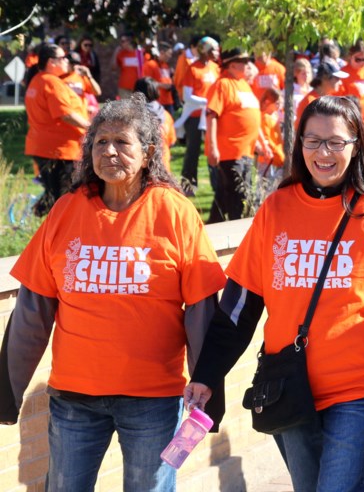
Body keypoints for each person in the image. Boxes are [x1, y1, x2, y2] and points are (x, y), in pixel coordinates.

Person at [184, 96, 364, 492]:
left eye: (336, 142)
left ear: (358, 146)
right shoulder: (277, 208)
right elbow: (239, 307)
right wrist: (207, 374)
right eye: (312, 141)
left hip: (360, 391)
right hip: (289, 388)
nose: (323, 152)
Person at [0, 94, 226, 491]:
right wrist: (6, 389)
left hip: (152, 401)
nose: (109, 151)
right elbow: (33, 310)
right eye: (100, 142)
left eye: (122, 142)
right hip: (74, 399)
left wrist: (208, 383)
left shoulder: (175, 213)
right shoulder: (67, 211)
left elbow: (201, 309)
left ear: (148, 152)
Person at [24, 43, 91, 216]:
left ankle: (35, 219)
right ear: (52, 61)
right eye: (63, 58)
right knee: (63, 198)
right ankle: (53, 232)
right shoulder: (52, 83)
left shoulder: (37, 80)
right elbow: (65, 114)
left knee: (54, 194)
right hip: (59, 150)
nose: (66, 61)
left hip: (45, 147)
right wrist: (92, 127)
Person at [205, 49, 262, 223]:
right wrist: (213, 147)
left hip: (246, 151)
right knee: (237, 195)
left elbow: (252, 114)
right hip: (229, 151)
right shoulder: (222, 85)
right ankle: (235, 233)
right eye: (243, 61)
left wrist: (261, 142)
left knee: (225, 194)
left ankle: (212, 230)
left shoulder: (244, 84)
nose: (247, 65)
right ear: (232, 64)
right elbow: (211, 116)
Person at [175, 36, 220, 196]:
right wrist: (207, 101)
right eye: (214, 49)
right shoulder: (192, 68)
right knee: (192, 151)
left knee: (212, 149)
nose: (217, 52)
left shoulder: (216, 68)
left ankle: (217, 185)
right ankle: (188, 186)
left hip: (211, 116)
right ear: (205, 50)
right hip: (194, 116)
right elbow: (187, 96)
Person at [135, 77, 177, 172]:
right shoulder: (166, 115)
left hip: (140, 167)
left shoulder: (133, 116)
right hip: (163, 164)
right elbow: (171, 141)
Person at [295, 57, 348, 126]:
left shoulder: (329, 98)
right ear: (325, 78)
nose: (340, 83)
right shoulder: (311, 101)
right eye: (337, 78)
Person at [114, 33, 144, 98]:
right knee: (126, 108)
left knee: (137, 107)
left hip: (137, 87)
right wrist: (115, 52)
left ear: (130, 41)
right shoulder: (121, 54)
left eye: (123, 41)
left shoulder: (139, 53)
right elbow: (113, 67)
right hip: (124, 87)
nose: (121, 44)